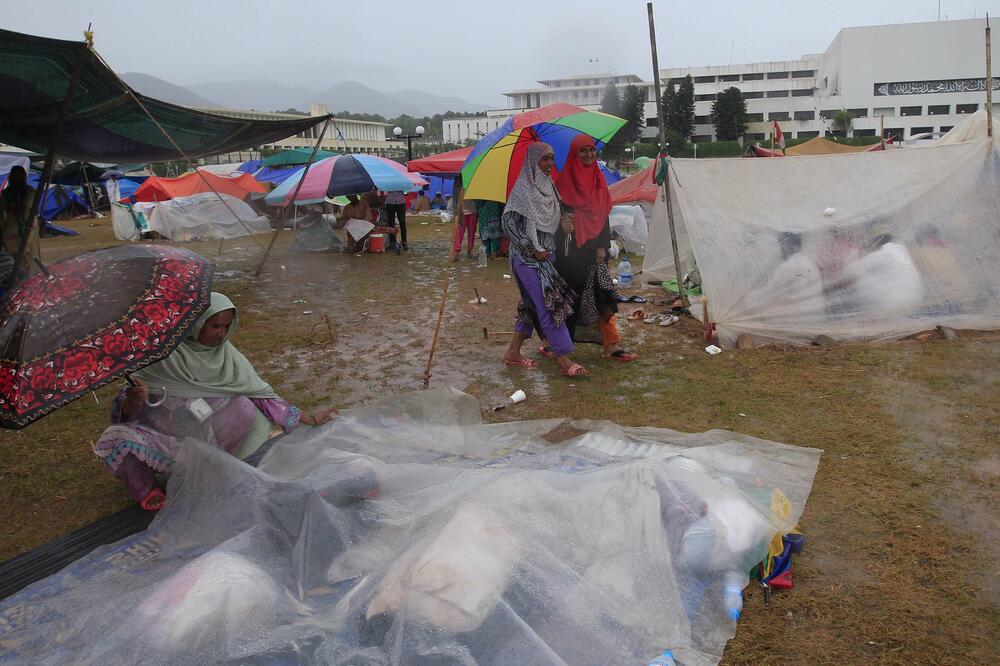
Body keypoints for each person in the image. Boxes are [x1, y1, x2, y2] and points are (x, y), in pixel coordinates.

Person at [92, 293, 337, 511]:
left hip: (206, 440)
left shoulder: (228, 356)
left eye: (226, 326)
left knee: (243, 406)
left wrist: (311, 419)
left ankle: (213, 470)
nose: (221, 334)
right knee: (118, 436)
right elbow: (124, 414)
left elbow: (262, 395)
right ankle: (147, 490)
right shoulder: (162, 355)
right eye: (214, 326)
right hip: (161, 437)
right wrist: (135, 400)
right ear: (195, 324)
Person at [501, 142, 587, 377]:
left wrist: (564, 224)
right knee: (550, 303)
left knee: (529, 306)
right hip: (526, 260)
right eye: (544, 159)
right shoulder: (522, 189)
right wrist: (531, 248)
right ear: (533, 162)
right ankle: (563, 359)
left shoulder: (550, 188)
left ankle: (513, 352)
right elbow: (508, 224)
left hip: (547, 257)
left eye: (552, 158)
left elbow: (550, 224)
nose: (550, 164)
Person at [552, 135, 636, 362]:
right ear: (574, 154)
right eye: (583, 151)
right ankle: (556, 344)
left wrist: (602, 246)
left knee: (603, 295)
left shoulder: (598, 178)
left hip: (595, 247)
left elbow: (602, 214)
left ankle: (611, 344)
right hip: (569, 250)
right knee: (568, 299)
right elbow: (551, 219)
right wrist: (562, 225)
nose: (589, 155)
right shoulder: (562, 182)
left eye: (592, 150)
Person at [0, 165, 39, 272]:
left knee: (27, 252)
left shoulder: (30, 191)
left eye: (19, 176)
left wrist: (16, 206)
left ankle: (28, 275)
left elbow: (29, 206)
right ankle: (15, 275)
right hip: (12, 224)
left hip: (29, 222)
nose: (17, 178)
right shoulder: (6, 193)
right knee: (12, 250)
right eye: (15, 176)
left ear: (23, 177)